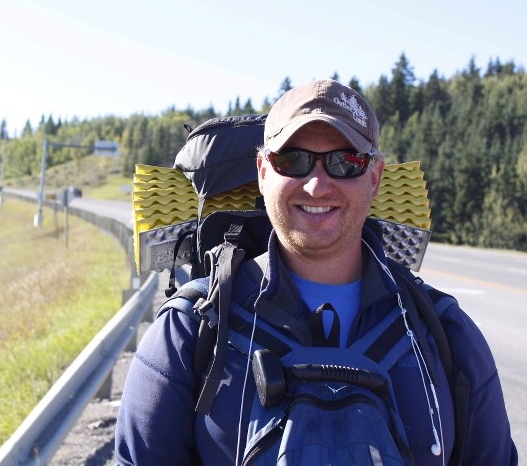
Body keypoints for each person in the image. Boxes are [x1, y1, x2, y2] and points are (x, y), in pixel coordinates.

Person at [115, 79, 517, 465]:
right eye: (293, 160)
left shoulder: (446, 335)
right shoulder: (190, 331)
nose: (316, 185)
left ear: (375, 177)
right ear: (263, 171)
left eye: (346, 161)